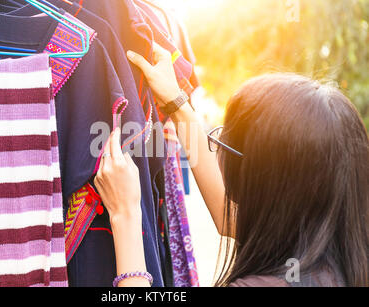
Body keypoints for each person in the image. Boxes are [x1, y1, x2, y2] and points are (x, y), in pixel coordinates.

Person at [93, 43, 369, 287]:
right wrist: (178, 105)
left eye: (226, 145)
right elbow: (231, 220)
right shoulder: (342, 256)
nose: (220, 156)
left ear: (261, 179)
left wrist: (125, 215)